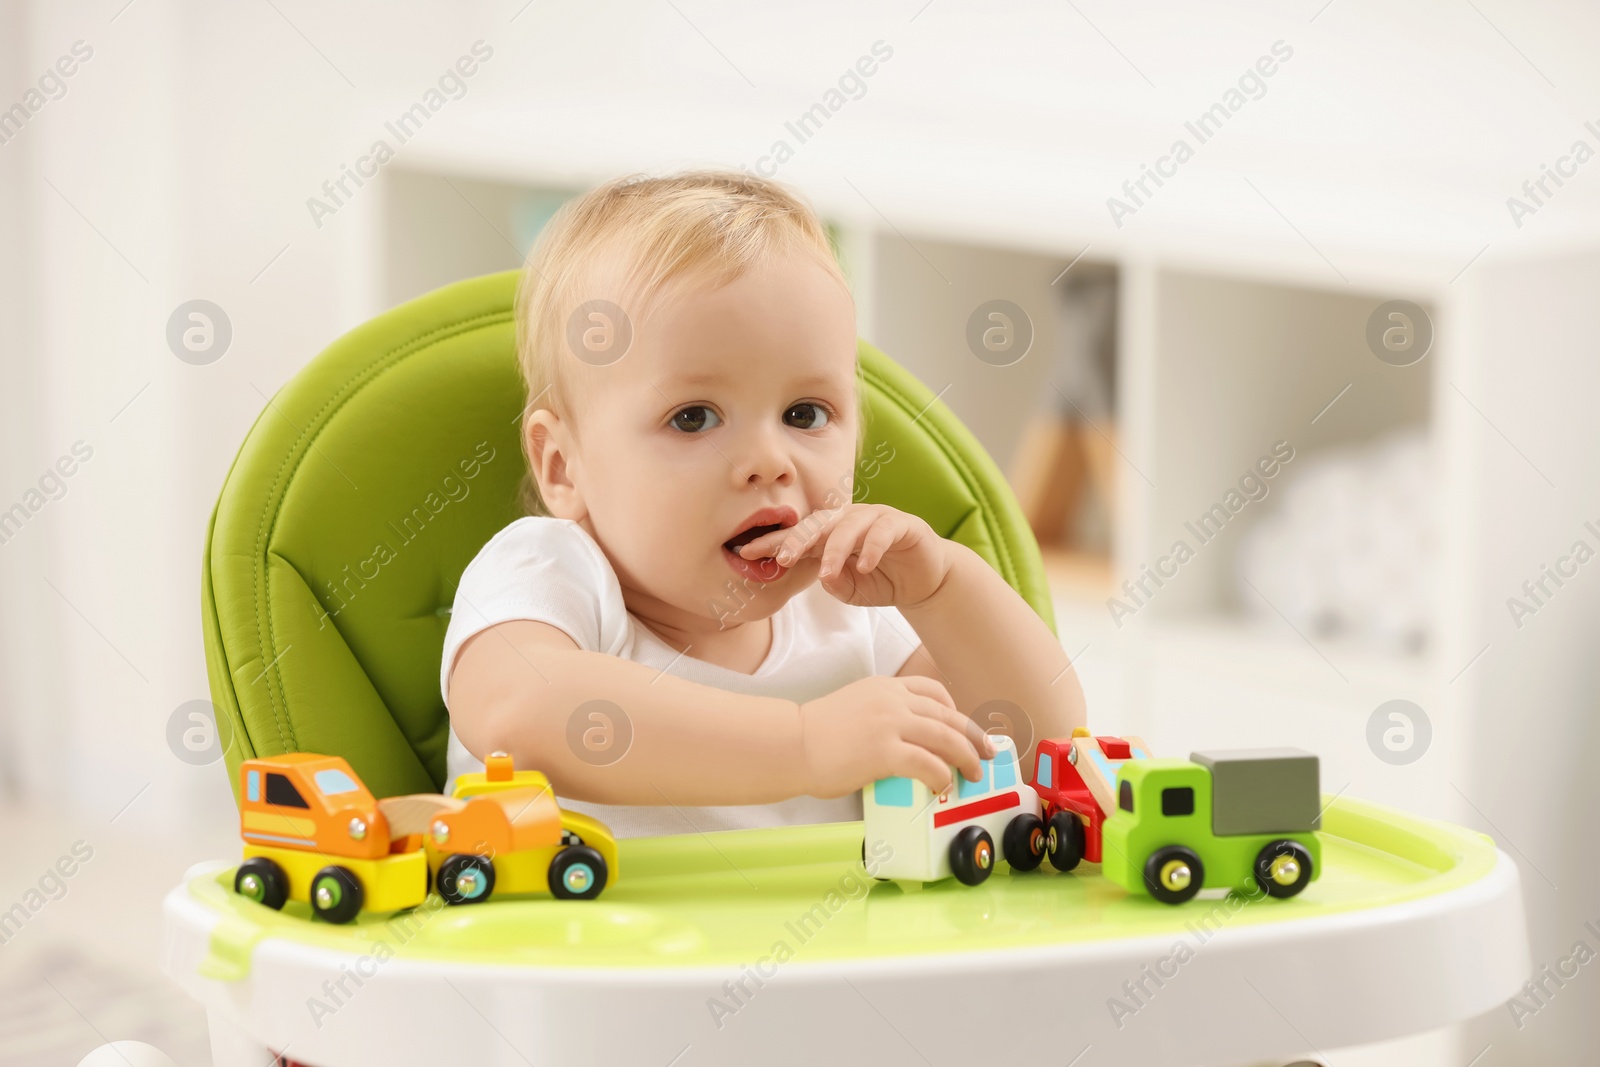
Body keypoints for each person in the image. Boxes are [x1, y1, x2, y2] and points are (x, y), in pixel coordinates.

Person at [441, 170, 1084, 837]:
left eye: (805, 413)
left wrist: (945, 588)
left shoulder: (849, 617)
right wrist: (805, 743)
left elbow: (1043, 745)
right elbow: (520, 712)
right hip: (573, 939)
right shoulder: (553, 571)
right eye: (693, 418)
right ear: (561, 465)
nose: (769, 461)